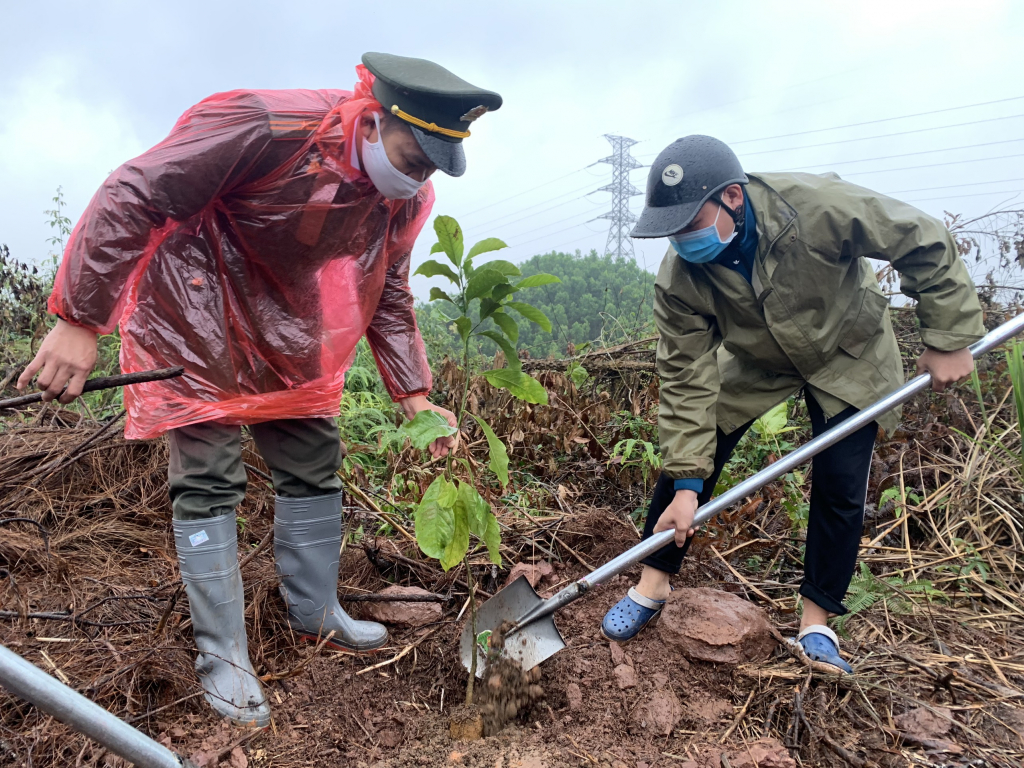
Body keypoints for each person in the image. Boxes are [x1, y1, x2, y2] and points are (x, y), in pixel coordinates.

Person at [17, 53, 502, 726]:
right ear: (373, 118)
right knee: (210, 475)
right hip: (194, 309)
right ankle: (225, 656)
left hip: (286, 321)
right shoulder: (266, 126)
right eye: (411, 156)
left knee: (313, 455)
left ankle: (316, 611)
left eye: (431, 166)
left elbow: (387, 288)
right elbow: (137, 191)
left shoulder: (404, 197)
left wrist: (414, 394)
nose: (416, 176)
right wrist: (79, 317)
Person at [601, 135, 983, 674]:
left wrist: (948, 335)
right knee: (694, 447)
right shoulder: (682, 276)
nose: (681, 241)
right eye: (672, 230)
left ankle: (817, 622)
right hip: (760, 356)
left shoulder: (814, 207)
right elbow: (685, 378)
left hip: (849, 348)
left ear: (732, 197)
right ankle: (653, 583)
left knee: (841, 482)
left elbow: (920, 237)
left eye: (690, 225)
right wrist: (688, 484)